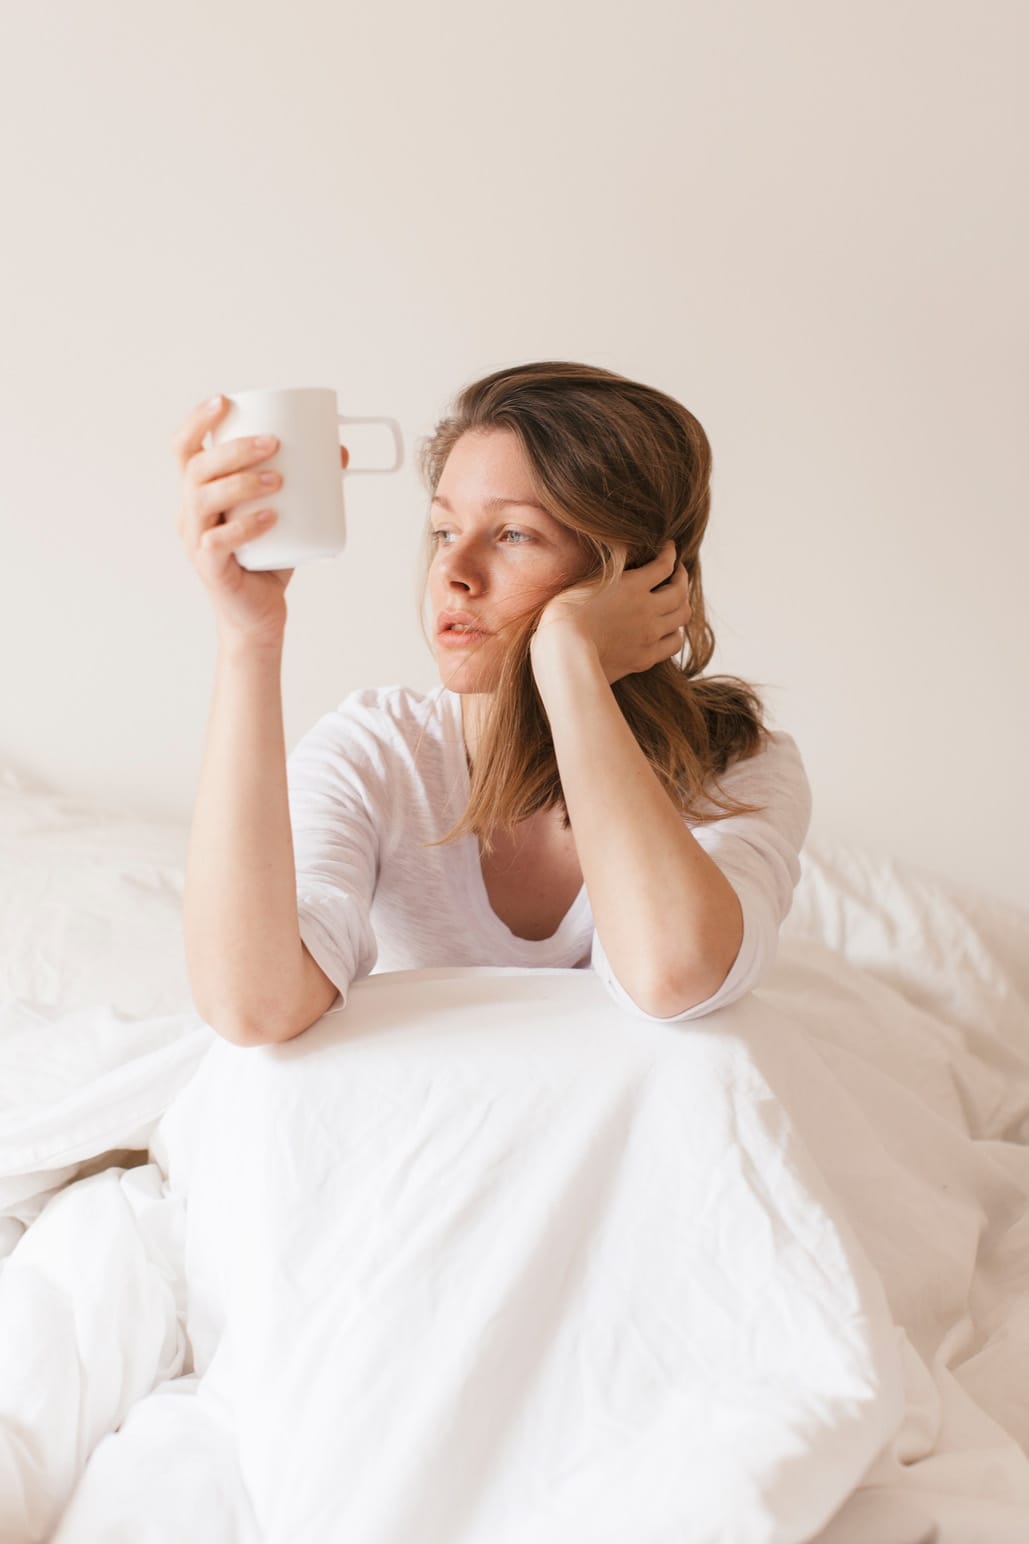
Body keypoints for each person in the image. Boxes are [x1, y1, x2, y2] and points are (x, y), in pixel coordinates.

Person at [172, 361, 811, 1047]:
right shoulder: (380, 751)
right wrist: (249, 636)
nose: (452, 572)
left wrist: (567, 660)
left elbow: (672, 976)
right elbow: (253, 1008)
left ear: (638, 571)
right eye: (445, 531)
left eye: (513, 535)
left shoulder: (734, 769)